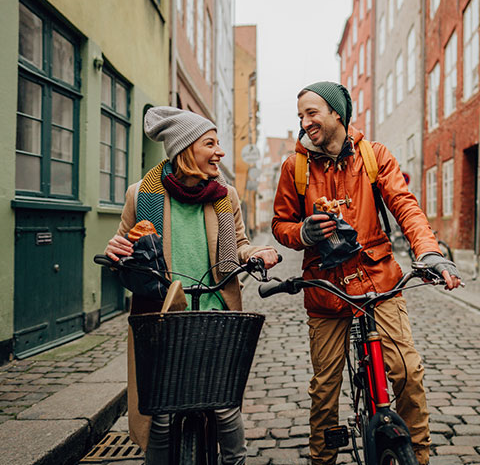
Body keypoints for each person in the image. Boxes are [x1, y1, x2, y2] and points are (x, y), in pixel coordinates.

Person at [271, 82, 461, 465]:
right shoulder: (296, 168)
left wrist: (430, 253)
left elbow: (406, 207)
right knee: (325, 389)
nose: (305, 122)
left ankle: (417, 458)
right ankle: (322, 460)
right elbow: (280, 223)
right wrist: (302, 231)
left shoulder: (374, 157)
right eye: (300, 116)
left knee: (408, 373)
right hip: (325, 288)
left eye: (312, 113)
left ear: (336, 114)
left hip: (379, 281)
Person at [105, 106, 279, 465]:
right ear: (186, 150)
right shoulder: (142, 195)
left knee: (225, 409)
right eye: (211, 143)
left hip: (216, 314)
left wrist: (254, 253)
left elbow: (239, 245)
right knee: (162, 418)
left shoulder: (224, 195)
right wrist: (115, 250)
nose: (220, 152)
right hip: (161, 317)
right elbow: (123, 248)